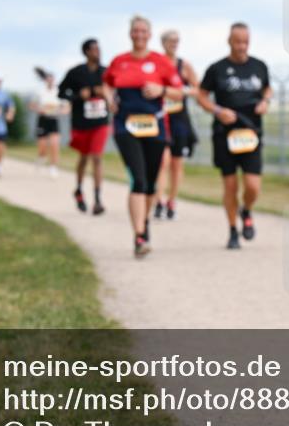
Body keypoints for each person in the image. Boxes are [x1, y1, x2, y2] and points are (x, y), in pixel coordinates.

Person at [103, 16, 184, 258]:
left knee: (150, 183)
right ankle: (139, 235)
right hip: (125, 126)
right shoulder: (119, 61)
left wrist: (162, 90)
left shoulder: (160, 62)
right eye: (135, 30)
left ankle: (144, 221)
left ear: (149, 35)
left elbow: (180, 92)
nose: (139, 35)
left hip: (154, 127)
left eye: (143, 31)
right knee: (137, 179)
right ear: (130, 34)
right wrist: (109, 100)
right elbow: (106, 83)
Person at [196, 22, 272, 249]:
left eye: (245, 42)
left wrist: (265, 101)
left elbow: (268, 88)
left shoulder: (259, 66)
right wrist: (218, 111)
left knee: (252, 186)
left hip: (251, 133)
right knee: (230, 186)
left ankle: (246, 210)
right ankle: (232, 231)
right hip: (225, 134)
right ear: (229, 41)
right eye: (238, 42)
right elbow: (201, 95)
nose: (242, 46)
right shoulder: (216, 69)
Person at [59, 38, 110, 214]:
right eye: (94, 49)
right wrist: (78, 95)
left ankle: (97, 199)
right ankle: (79, 190)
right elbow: (61, 92)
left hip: (101, 122)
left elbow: (115, 91)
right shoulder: (75, 73)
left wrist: (105, 94)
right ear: (87, 52)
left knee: (96, 157)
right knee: (84, 157)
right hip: (81, 123)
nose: (98, 52)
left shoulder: (106, 72)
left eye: (99, 48)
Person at [153, 29, 199, 220]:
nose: (174, 44)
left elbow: (197, 89)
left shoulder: (184, 65)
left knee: (176, 163)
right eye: (170, 41)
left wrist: (180, 91)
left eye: (176, 41)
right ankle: (158, 201)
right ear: (163, 43)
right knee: (162, 162)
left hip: (179, 119)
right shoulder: (156, 63)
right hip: (161, 117)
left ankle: (172, 201)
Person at [30, 67, 69, 178]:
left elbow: (66, 106)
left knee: (54, 144)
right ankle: (41, 157)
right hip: (43, 119)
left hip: (54, 120)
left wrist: (62, 111)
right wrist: (39, 109)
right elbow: (32, 105)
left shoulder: (58, 91)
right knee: (42, 147)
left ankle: (53, 167)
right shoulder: (40, 92)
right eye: (48, 79)